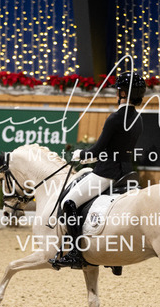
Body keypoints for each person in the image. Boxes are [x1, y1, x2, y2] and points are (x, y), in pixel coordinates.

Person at [49, 71, 145, 270]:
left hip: (106, 174)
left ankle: (75, 253)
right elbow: (116, 149)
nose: (116, 93)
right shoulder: (139, 119)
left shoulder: (115, 118)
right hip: (127, 173)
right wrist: (94, 156)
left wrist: (81, 154)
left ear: (123, 93)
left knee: (69, 202)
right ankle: (113, 259)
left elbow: (98, 149)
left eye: (118, 90)